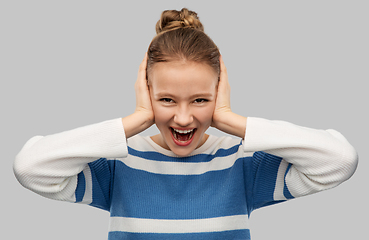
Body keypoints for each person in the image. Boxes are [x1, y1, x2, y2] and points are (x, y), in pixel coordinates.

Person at [13, 8, 358, 240]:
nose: (182, 118)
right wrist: (135, 121)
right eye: (166, 100)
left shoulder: (241, 165)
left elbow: (339, 161)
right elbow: (30, 168)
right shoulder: (119, 164)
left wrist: (229, 119)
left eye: (200, 100)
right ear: (146, 93)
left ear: (219, 92)